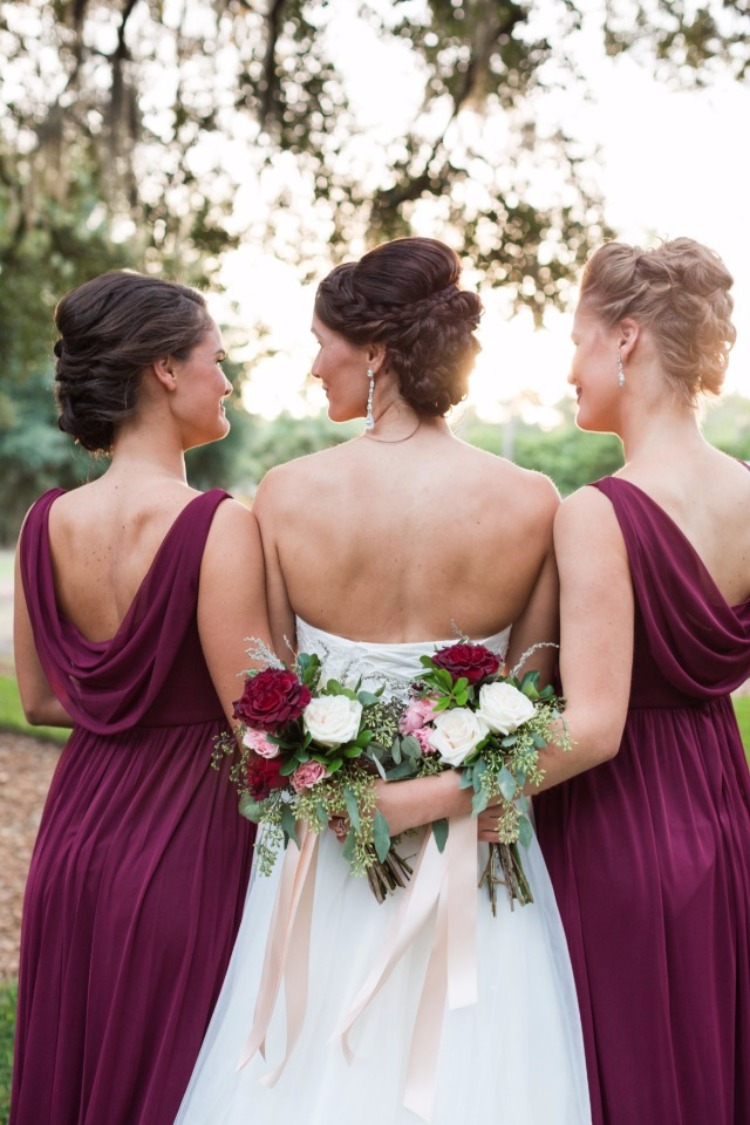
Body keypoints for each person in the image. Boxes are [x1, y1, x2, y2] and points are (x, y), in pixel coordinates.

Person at [176, 237, 591, 1123]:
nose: (312, 362)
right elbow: (535, 699)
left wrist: (351, 788)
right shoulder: (533, 501)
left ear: (374, 352)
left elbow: (270, 699)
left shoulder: (284, 494)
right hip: (472, 848)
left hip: (326, 846)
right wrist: (453, 786)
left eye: (321, 339)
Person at [10, 271, 270, 1124]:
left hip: (75, 838)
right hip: (186, 841)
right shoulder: (216, 524)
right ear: (164, 368)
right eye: (216, 359)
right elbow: (258, 725)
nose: (225, 380)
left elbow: (43, 699)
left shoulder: (46, 521)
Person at [532, 237, 750, 1125]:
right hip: (723, 815)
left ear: (624, 339)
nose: (569, 367)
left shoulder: (597, 513)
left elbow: (592, 728)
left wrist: (437, 789)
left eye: (578, 338)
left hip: (613, 831)